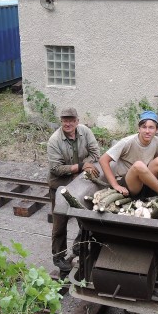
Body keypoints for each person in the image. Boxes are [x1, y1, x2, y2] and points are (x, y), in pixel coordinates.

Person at [47, 107, 101, 276]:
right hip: (60, 186)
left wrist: (82, 168)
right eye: (64, 120)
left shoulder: (85, 132)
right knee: (59, 224)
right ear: (61, 121)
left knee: (84, 218)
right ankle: (58, 257)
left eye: (71, 120)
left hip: (81, 184)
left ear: (77, 121)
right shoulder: (54, 140)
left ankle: (79, 244)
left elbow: (95, 153)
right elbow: (56, 168)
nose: (68, 123)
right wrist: (79, 167)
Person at [99, 110, 158, 208]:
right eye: (144, 127)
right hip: (129, 185)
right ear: (139, 129)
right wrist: (115, 185)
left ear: (156, 130)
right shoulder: (127, 142)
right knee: (139, 165)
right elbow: (103, 160)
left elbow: (157, 163)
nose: (147, 131)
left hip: (145, 183)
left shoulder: (156, 141)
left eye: (151, 127)